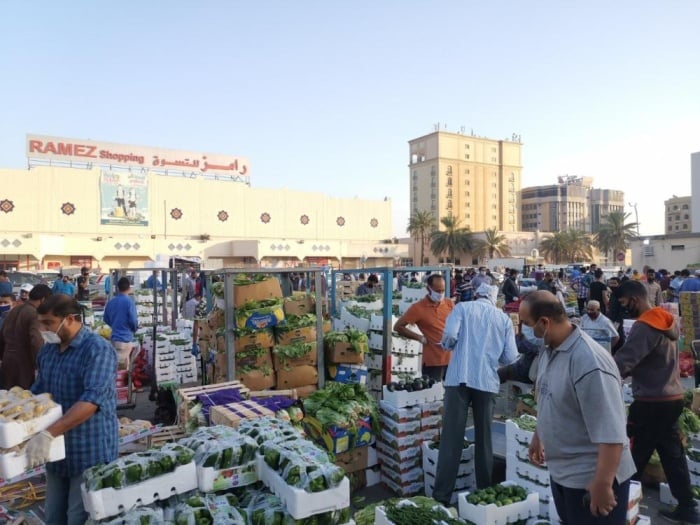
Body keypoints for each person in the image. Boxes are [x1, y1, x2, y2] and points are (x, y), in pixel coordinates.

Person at [521, 291, 635, 523]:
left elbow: (612, 432)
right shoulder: (549, 350)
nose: (523, 331)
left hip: (591, 479)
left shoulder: (589, 362)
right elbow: (549, 396)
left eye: (526, 324)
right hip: (563, 472)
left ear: (544, 322)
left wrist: (603, 483)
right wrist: (539, 434)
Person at [27, 294, 118, 524]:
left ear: (69, 319)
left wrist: (49, 433)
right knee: (54, 516)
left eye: (49, 323)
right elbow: (40, 392)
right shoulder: (48, 351)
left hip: (89, 450)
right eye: (42, 323)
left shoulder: (97, 349)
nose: (43, 329)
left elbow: (92, 401)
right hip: (56, 453)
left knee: (77, 517)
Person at [614, 280, 700, 523]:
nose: (624, 308)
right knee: (672, 455)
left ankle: (619, 508)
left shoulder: (645, 326)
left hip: (651, 401)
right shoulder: (664, 319)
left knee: (633, 458)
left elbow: (624, 361)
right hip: (671, 398)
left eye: (624, 303)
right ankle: (688, 508)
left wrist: (599, 372)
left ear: (635, 300)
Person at [433, 283, 517, 502]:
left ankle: (442, 495)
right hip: (487, 382)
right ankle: (484, 492)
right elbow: (510, 357)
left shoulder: (462, 308)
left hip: (458, 379)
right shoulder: (504, 319)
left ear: (476, 294)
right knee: (484, 438)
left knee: (451, 438)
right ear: (493, 298)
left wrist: (448, 346)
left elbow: (450, 335)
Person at [394, 274, 454, 381]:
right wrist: (419, 338)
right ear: (428, 289)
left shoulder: (449, 304)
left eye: (442, 291)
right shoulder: (418, 308)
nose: (440, 294)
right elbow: (398, 327)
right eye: (437, 291)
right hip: (433, 361)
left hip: (452, 359)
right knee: (432, 394)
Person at [0, 284, 52, 389]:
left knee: (9, 398)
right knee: (23, 397)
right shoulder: (34, 314)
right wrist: (39, 365)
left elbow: (1, 336)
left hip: (7, 360)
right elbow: (36, 341)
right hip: (23, 363)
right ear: (43, 300)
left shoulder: (13, 310)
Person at [103, 277, 138, 371]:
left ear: (117, 288)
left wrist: (115, 324)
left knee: (114, 368)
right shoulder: (129, 302)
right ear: (129, 288)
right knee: (123, 371)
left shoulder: (111, 302)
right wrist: (133, 329)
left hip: (114, 338)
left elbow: (105, 319)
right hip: (125, 339)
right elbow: (134, 321)